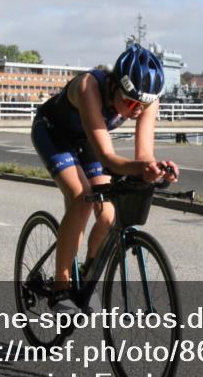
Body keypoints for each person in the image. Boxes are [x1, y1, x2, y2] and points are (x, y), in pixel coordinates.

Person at [31, 44, 179, 313]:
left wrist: (155, 168)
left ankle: (87, 276)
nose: (136, 110)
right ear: (113, 85)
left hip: (87, 140)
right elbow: (108, 157)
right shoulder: (89, 87)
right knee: (81, 197)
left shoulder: (146, 98)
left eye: (143, 105)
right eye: (131, 102)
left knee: (109, 216)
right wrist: (141, 169)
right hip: (54, 134)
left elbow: (144, 154)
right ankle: (61, 286)